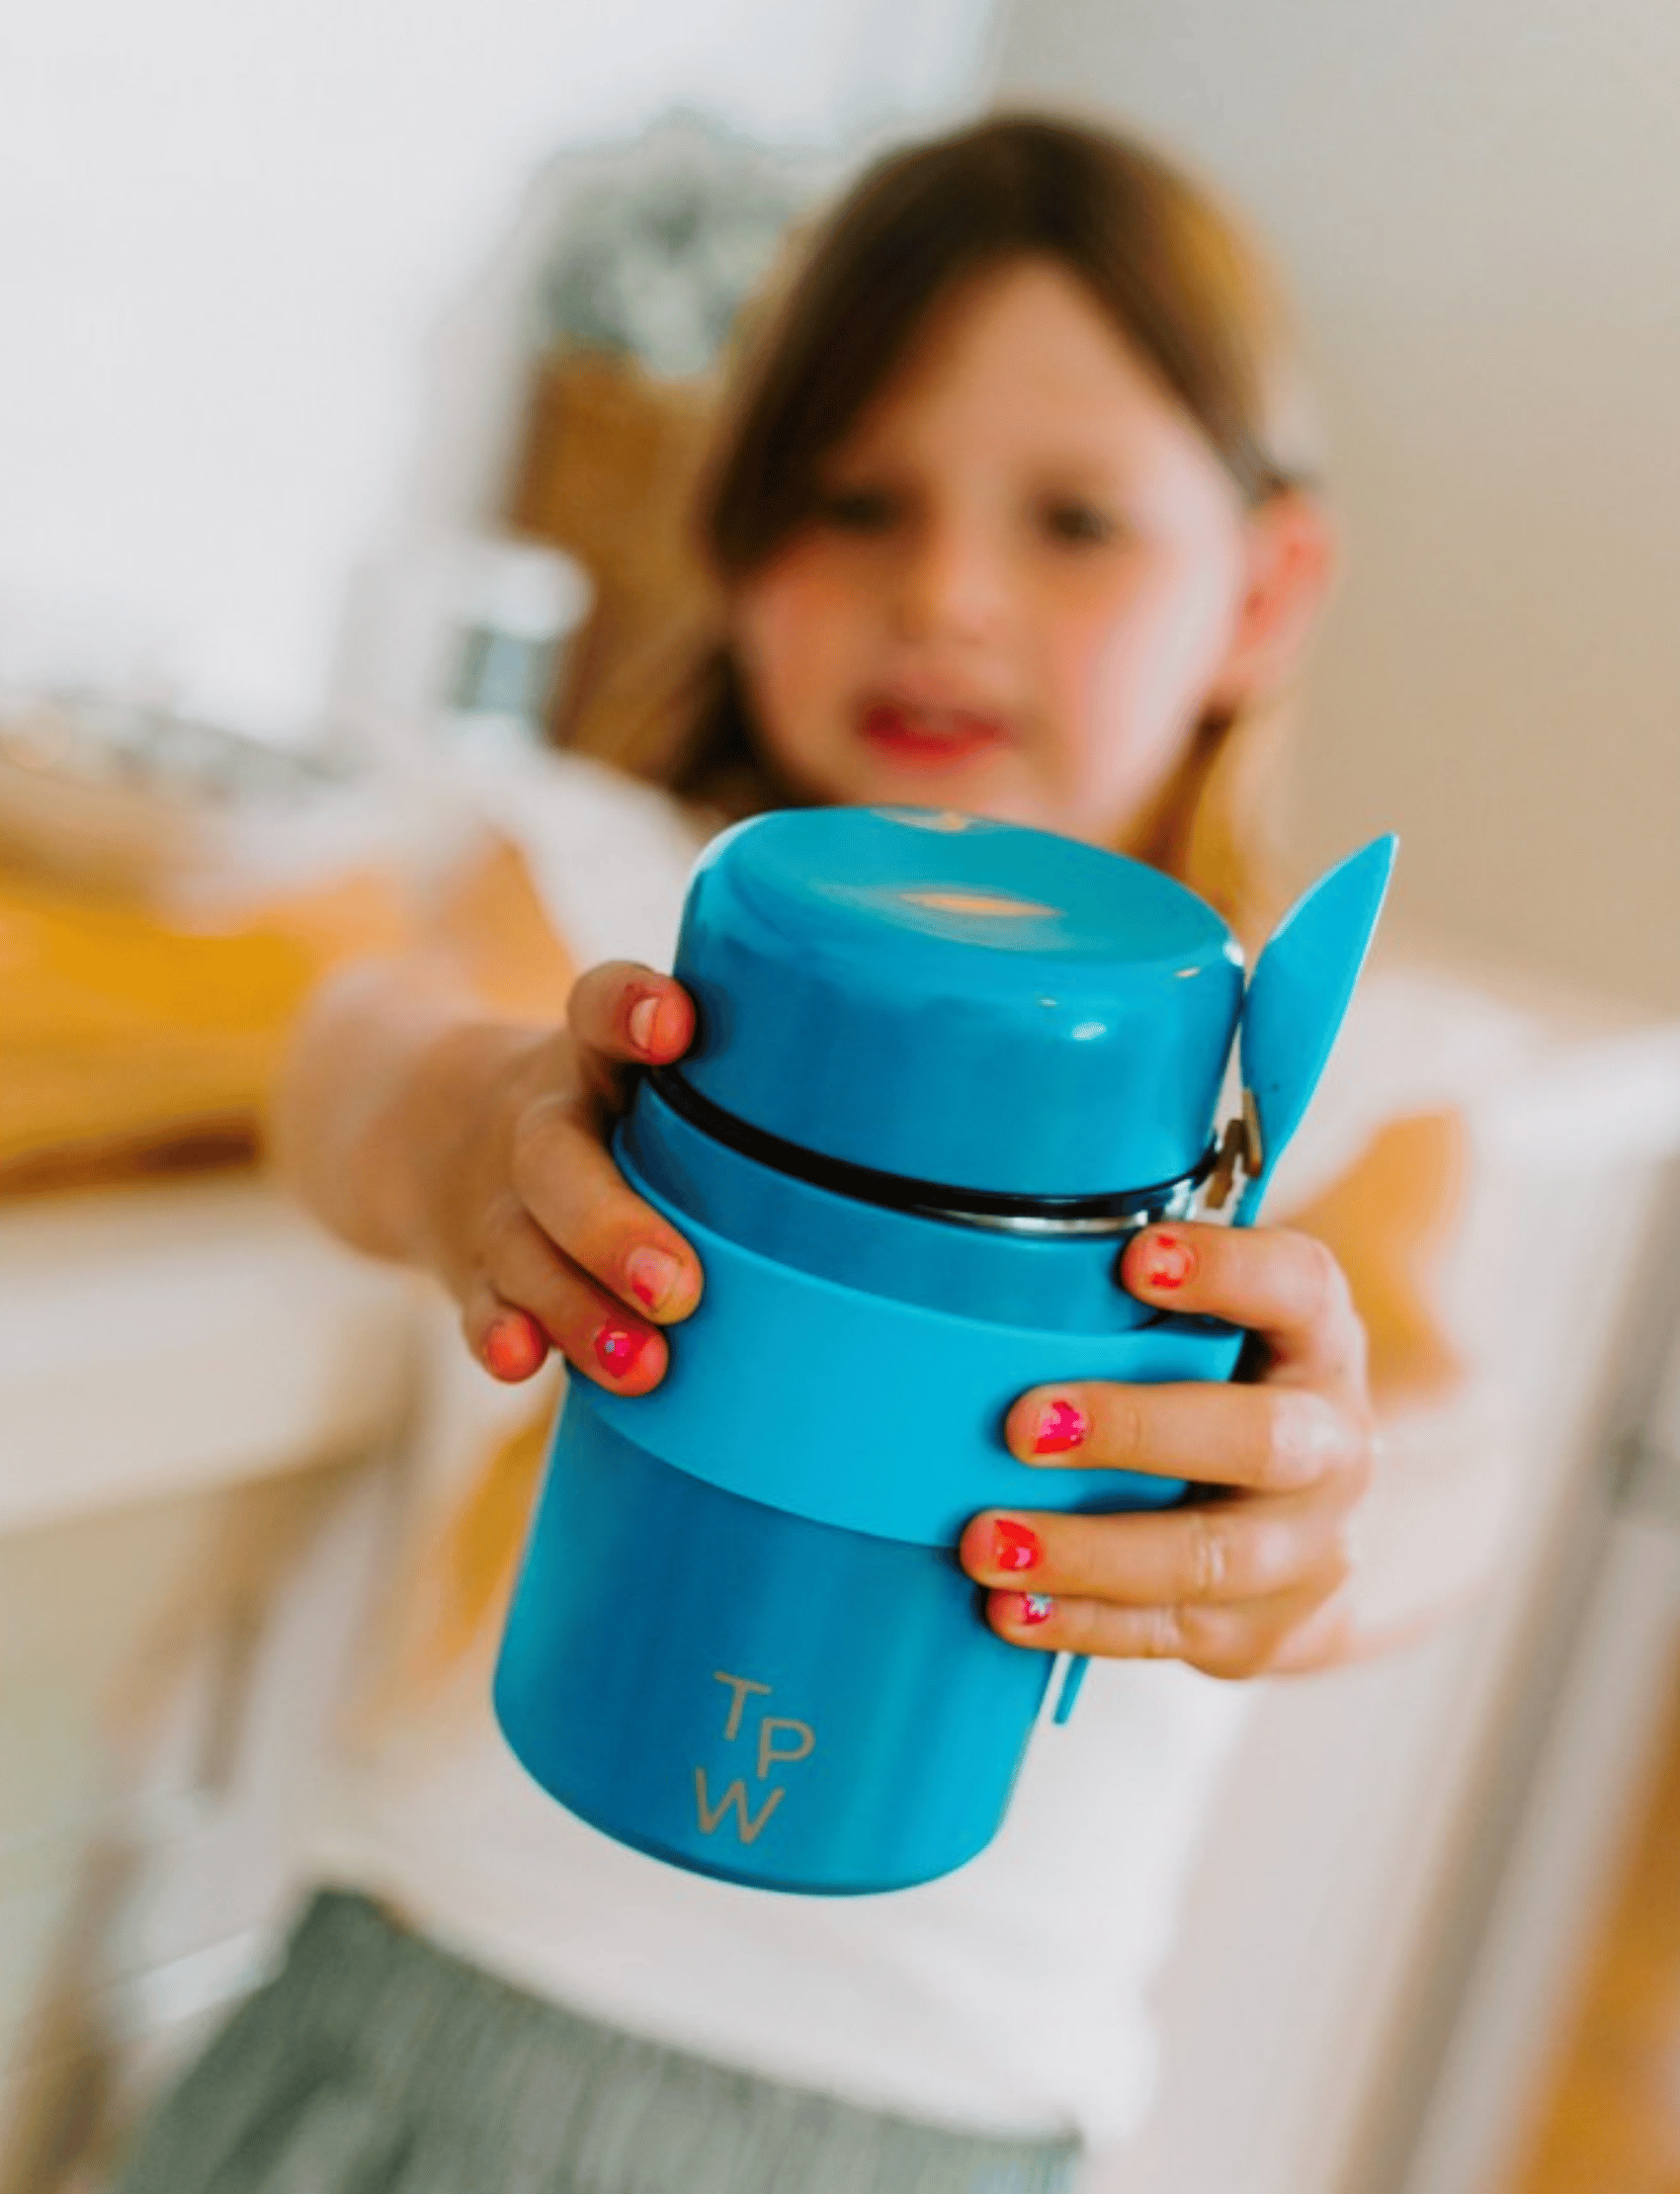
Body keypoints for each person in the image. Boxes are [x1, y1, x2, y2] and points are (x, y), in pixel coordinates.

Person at [114, 112, 1495, 2194]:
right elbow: (355, 1059)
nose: (941, 594)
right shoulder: (608, 893)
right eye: (853, 503)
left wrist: (1318, 1520)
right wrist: (482, 1130)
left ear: (1265, 586)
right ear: (740, 547)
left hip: (931, 2133)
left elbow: (1443, 1437)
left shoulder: (1324, 1087)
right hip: (416, 2035)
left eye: (1072, 523)